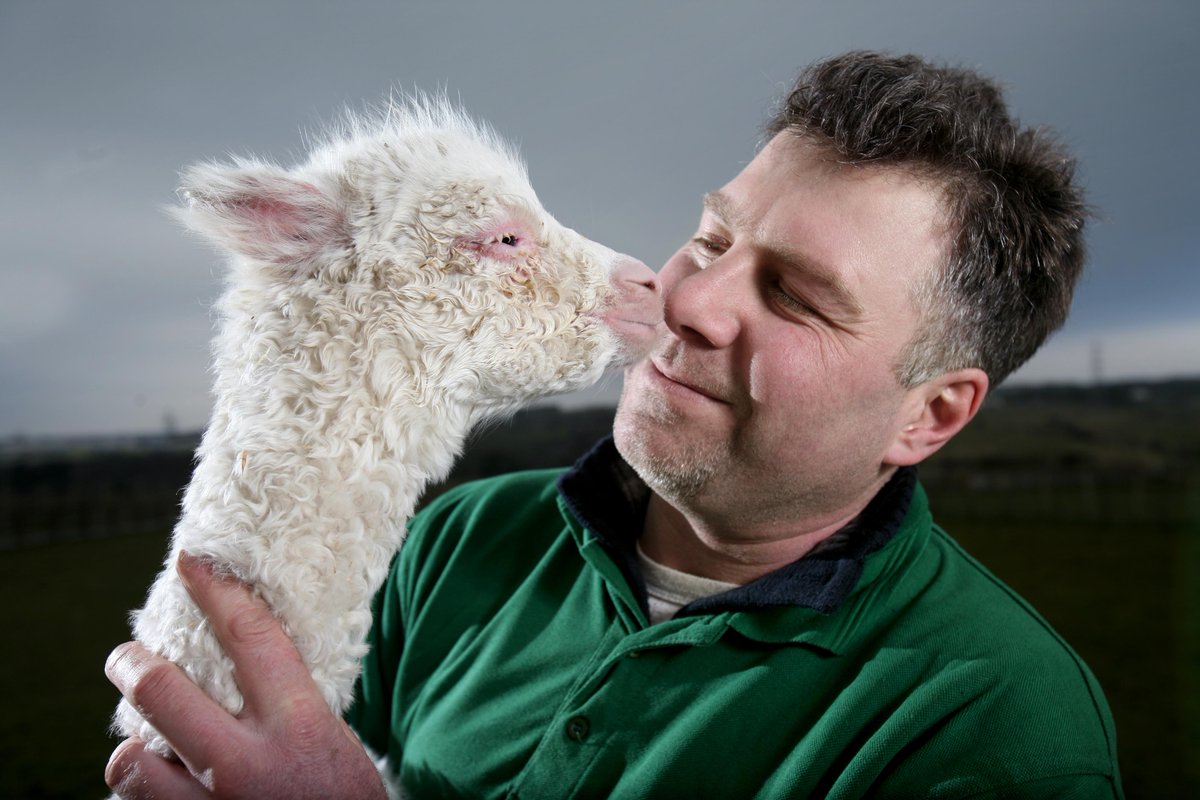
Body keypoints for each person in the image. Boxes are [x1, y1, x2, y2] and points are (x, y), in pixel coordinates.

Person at [105, 51, 1123, 799]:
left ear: (930, 411)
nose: (687, 299)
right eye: (712, 235)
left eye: (799, 296)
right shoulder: (459, 540)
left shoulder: (994, 726)